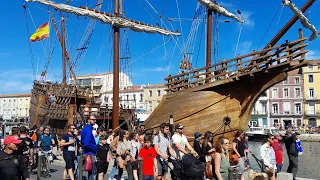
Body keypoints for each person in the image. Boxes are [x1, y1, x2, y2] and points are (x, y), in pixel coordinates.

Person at [81, 115, 98, 180]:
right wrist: (95, 147)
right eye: (93, 119)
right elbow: (86, 143)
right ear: (88, 120)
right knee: (92, 172)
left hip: (86, 151)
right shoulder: (88, 130)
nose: (95, 121)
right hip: (90, 153)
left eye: (95, 119)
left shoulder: (86, 128)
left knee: (82, 169)